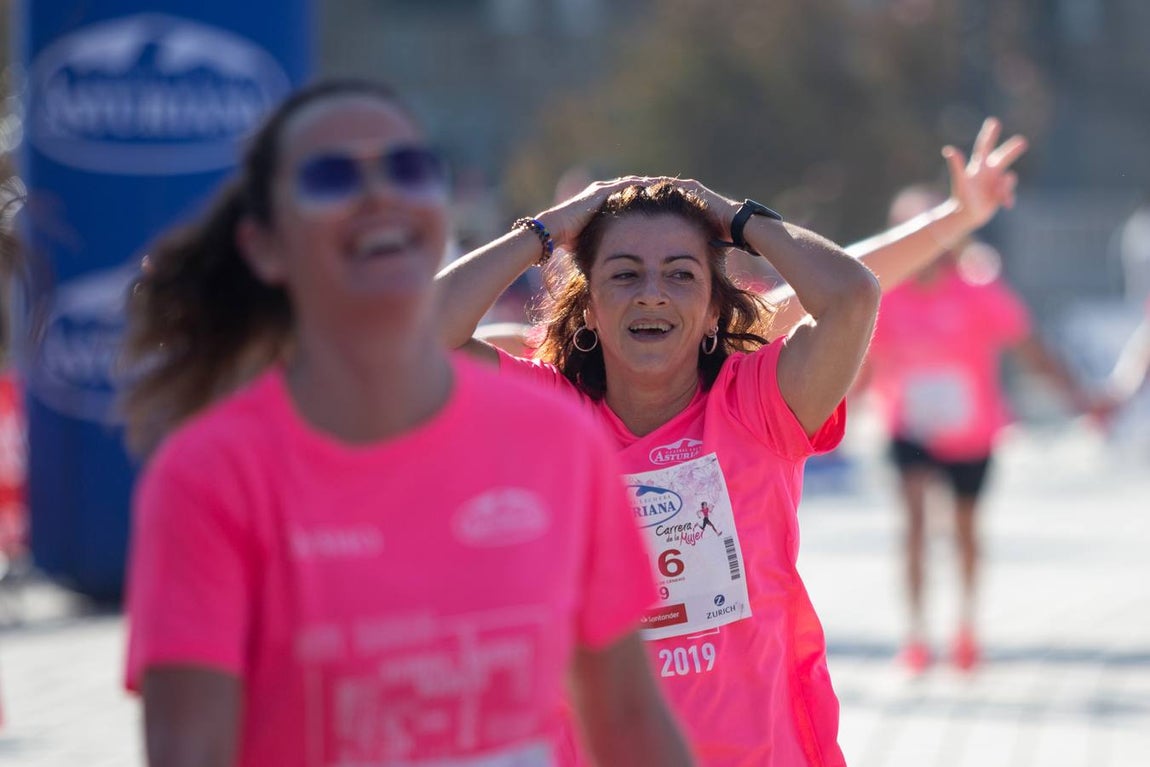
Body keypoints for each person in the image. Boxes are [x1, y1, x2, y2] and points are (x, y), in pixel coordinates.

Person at [120, 78, 693, 767]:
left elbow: (629, 721)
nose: (380, 196)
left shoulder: (559, 441)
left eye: (408, 169)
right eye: (332, 177)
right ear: (265, 247)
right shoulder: (210, 474)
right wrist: (542, 232)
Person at [437, 170, 881, 765]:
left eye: (681, 274)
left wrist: (737, 218)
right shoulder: (549, 419)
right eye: (624, 274)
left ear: (713, 311)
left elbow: (853, 296)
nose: (652, 294)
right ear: (589, 310)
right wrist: (545, 231)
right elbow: (415, 339)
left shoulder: (761, 405)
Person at [863, 183, 1110, 674]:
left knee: (964, 530)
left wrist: (1079, 398)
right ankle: (917, 634)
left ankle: (966, 628)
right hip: (908, 426)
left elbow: (1031, 349)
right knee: (914, 523)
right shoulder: (886, 295)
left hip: (971, 433)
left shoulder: (978, 289)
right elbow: (861, 368)